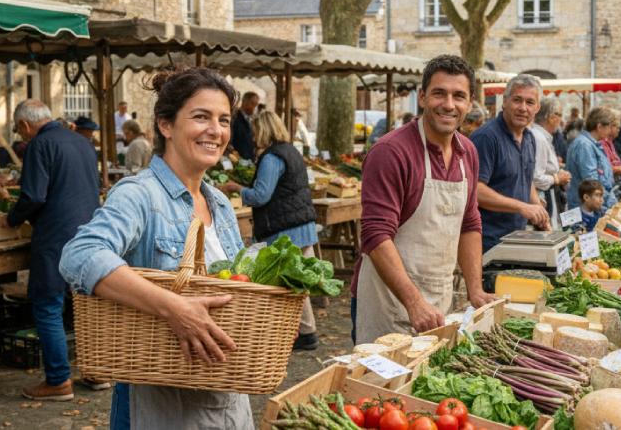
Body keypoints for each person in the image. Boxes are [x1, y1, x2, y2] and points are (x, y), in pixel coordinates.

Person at [60, 67, 252, 429]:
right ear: (166, 125)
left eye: (224, 120)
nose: (216, 130)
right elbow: (80, 255)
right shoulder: (140, 194)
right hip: (158, 399)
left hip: (225, 395)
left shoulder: (220, 204)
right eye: (201, 117)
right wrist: (173, 308)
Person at [351, 55, 494, 344]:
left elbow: (469, 224)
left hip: (438, 300)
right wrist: (414, 302)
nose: (449, 104)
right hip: (388, 302)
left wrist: (475, 289)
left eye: (459, 96)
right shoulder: (391, 152)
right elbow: (376, 235)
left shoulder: (468, 152)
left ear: (470, 103)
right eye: (439, 93)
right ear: (422, 97)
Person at [1, 100, 105, 400]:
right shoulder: (82, 142)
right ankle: (97, 372)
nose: (20, 135)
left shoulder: (39, 145)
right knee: (86, 304)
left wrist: (11, 219)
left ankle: (58, 380)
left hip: (55, 235)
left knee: (48, 304)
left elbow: (33, 196)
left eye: (18, 130)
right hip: (90, 231)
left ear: (24, 125)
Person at [218, 110, 320, 351]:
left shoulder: (272, 157)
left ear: (263, 130)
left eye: (255, 131)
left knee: (287, 284)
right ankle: (306, 331)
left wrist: (235, 188)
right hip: (301, 224)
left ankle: (300, 332)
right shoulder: (291, 151)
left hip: (285, 229)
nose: (253, 136)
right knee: (298, 281)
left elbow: (260, 195)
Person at [471, 73, 550, 251]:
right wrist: (522, 207)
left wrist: (538, 208)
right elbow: (475, 190)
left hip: (515, 238)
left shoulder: (529, 138)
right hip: (487, 241)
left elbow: (526, 179)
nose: (523, 108)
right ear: (504, 102)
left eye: (530, 102)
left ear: (537, 107)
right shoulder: (486, 137)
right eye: (517, 100)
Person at [565, 106, 618, 212]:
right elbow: (592, 182)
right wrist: (611, 203)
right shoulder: (585, 145)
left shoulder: (591, 144)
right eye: (609, 126)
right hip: (585, 210)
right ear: (599, 127)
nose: (611, 130)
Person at [531, 97, 571, 228]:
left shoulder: (542, 136)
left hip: (548, 196)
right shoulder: (539, 138)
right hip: (543, 198)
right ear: (551, 117)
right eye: (560, 115)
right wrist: (557, 178)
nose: (561, 120)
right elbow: (536, 178)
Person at [231, 91, 259, 161]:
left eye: (256, 105)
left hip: (249, 160)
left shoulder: (254, 120)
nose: (255, 108)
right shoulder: (234, 118)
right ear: (244, 102)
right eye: (253, 104)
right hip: (237, 159)